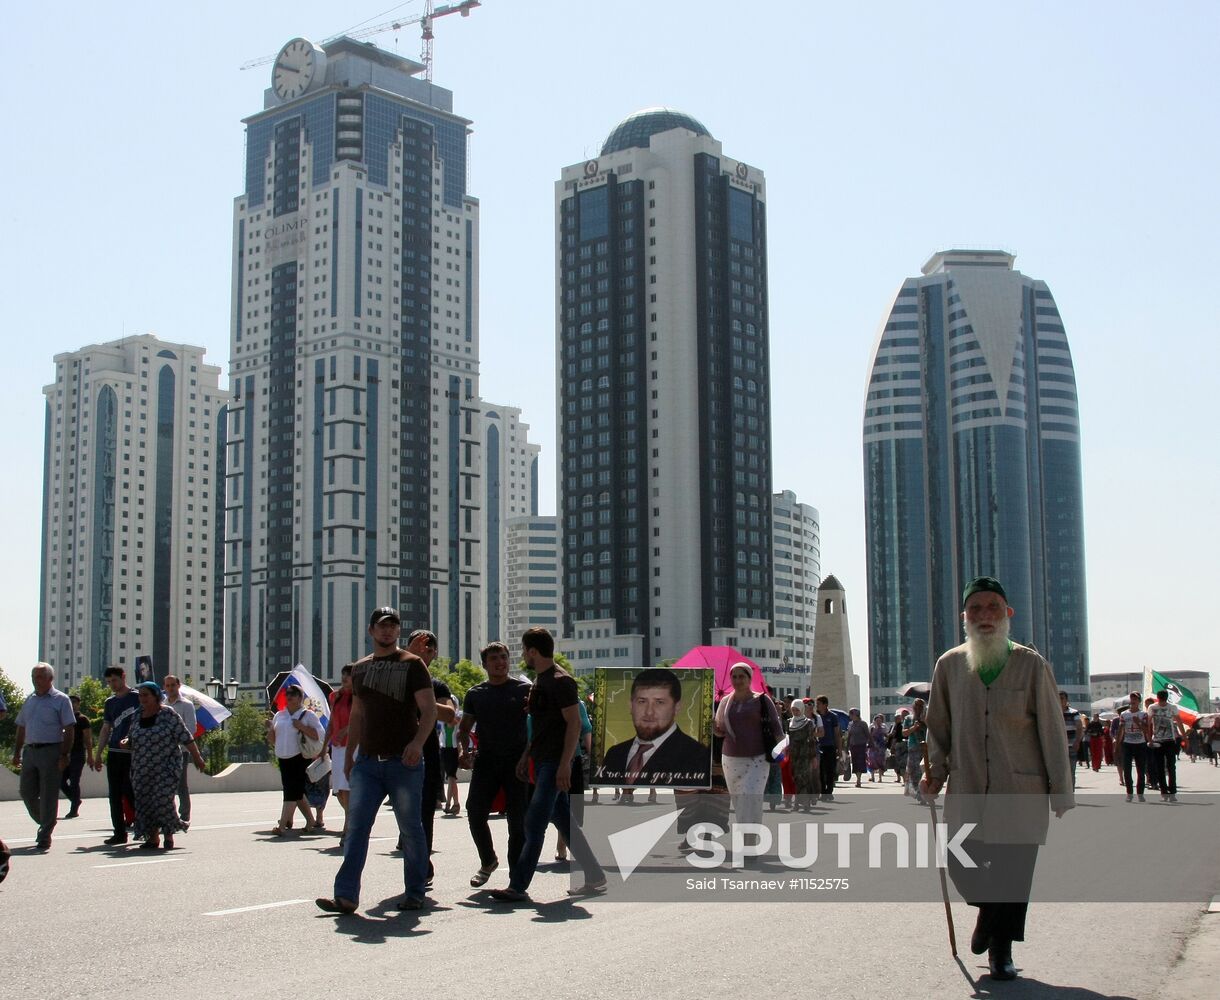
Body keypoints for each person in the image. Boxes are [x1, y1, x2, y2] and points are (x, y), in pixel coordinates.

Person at [922, 576, 1074, 983]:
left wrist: (1061, 791)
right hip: (968, 784)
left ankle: (1001, 951)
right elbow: (937, 727)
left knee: (1013, 872)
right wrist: (933, 774)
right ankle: (988, 911)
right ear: (964, 617)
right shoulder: (950, 665)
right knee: (959, 860)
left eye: (992, 608)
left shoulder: (1031, 663)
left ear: (1008, 614)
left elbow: (1052, 730)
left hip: (1020, 786)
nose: (984, 616)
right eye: (976, 609)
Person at [316, 607, 436, 914]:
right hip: (367, 762)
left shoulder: (413, 665)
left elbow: (430, 710)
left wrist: (417, 744)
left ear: (398, 631)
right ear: (371, 631)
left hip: (403, 762)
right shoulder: (360, 669)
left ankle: (415, 891)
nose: (388, 631)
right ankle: (345, 896)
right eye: (382, 626)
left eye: (393, 626)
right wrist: (350, 757)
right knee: (357, 827)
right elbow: (358, 714)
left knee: (411, 828)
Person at [489, 627, 605, 903]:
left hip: (555, 762)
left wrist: (565, 764)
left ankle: (517, 885)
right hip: (542, 760)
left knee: (535, 821)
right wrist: (527, 755)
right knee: (562, 820)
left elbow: (574, 724)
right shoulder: (540, 681)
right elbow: (540, 725)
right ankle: (595, 875)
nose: (523, 656)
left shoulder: (560, 681)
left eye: (524, 650)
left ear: (532, 651)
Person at [458, 641, 530, 889]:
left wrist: (528, 756)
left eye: (503, 657)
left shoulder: (524, 689)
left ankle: (515, 878)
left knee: (517, 822)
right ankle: (488, 860)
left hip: (517, 763)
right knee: (475, 812)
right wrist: (463, 751)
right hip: (486, 761)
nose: (500, 662)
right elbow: (464, 729)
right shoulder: (475, 694)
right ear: (485, 664)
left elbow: (535, 727)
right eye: (494, 659)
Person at [124, 682, 206, 850]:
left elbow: (186, 737)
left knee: (162, 799)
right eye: (140, 695)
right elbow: (131, 739)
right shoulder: (137, 715)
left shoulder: (168, 714)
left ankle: (169, 833)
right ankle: (153, 838)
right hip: (142, 767)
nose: (142, 699)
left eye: (146, 695)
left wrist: (197, 757)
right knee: (145, 801)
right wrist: (125, 742)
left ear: (156, 696)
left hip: (166, 766)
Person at [595, 668, 710, 787]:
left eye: (659, 702)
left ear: (677, 707)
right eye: (642, 701)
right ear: (631, 705)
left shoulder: (696, 755)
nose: (649, 712)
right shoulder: (614, 753)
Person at [404, 628, 456, 880]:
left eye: (428, 648)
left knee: (425, 812)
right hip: (396, 754)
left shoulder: (437, 685)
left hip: (428, 755)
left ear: (435, 653)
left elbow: (449, 715)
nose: (423, 651)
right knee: (405, 815)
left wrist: (419, 700)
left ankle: (420, 867)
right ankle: (420, 861)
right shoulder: (396, 678)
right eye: (416, 646)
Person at [714, 662, 783, 849]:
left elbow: (776, 727)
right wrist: (714, 728)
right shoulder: (725, 702)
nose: (737, 680)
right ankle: (746, 838)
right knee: (739, 800)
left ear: (749, 678)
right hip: (731, 757)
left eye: (741, 676)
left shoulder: (761, 700)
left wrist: (782, 748)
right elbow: (720, 731)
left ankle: (750, 840)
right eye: (734, 677)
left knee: (751, 797)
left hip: (757, 758)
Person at [11, 663, 75, 851]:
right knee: (26, 791)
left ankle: (45, 833)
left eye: (39, 676)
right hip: (30, 751)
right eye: (33, 676)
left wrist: (64, 754)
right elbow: (21, 727)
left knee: (48, 794)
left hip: (51, 750)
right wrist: (16, 752)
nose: (35, 680)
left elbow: (69, 728)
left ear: (50, 679)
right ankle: (46, 820)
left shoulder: (60, 700)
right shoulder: (29, 700)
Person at [266, 685, 323, 836]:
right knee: (297, 792)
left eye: (293, 694)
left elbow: (318, 736)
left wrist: (301, 726)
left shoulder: (308, 715)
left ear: (300, 698)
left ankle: (282, 825)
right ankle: (310, 821)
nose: (289, 696)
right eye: (288, 694)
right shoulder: (280, 715)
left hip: (299, 757)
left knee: (290, 791)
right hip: (283, 758)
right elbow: (273, 740)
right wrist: (270, 728)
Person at [94, 666, 141, 845]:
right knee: (114, 794)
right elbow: (106, 728)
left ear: (123, 677)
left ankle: (144, 825)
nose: (112, 684)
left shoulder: (137, 697)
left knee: (131, 790)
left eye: (114, 680)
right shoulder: (110, 702)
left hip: (131, 752)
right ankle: (119, 832)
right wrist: (98, 753)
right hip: (114, 752)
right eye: (108, 682)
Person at [162, 676, 196, 824]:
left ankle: (184, 815)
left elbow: (191, 728)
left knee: (180, 783)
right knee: (165, 784)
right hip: (163, 751)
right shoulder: (161, 705)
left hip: (181, 750)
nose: (170, 688)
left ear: (178, 685)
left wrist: (174, 738)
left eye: (173, 685)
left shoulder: (186, 705)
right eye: (167, 686)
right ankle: (169, 814)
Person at [327, 664, 354, 845]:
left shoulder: (360, 697)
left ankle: (348, 827)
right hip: (336, 747)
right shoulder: (334, 696)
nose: (344, 678)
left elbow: (362, 719)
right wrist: (323, 746)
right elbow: (331, 721)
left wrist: (346, 730)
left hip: (353, 746)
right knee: (339, 790)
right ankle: (351, 818)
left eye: (348, 675)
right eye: (343, 674)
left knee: (349, 787)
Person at [1148, 689, 1187, 802]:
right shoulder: (1152, 708)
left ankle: (1172, 792)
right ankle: (1164, 792)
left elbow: (1179, 722)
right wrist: (1150, 739)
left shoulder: (1172, 707)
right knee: (1160, 767)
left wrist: (1184, 737)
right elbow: (1149, 724)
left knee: (1171, 767)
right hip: (1158, 741)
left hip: (1170, 740)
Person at [60, 694, 94, 819]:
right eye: (70, 701)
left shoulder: (82, 719)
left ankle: (74, 809)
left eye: (75, 702)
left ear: (78, 704)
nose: (72, 704)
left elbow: (88, 739)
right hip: (65, 754)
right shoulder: (63, 718)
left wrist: (90, 756)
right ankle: (75, 800)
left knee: (74, 781)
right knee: (61, 781)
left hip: (78, 754)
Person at [1114, 691, 1150, 802]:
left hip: (1140, 743)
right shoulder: (1124, 714)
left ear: (1139, 701)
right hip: (1127, 744)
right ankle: (1129, 793)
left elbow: (1146, 730)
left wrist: (1138, 722)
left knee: (1141, 769)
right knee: (1127, 769)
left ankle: (1140, 793)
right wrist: (1117, 745)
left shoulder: (1143, 714)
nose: (1133, 701)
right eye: (1132, 698)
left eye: (1135, 699)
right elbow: (1120, 730)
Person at [786, 698, 821, 810]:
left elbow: (811, 740)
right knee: (795, 777)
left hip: (805, 754)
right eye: (793, 710)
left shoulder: (808, 723)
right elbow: (787, 739)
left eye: (797, 710)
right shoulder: (789, 722)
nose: (795, 712)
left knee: (804, 777)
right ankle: (796, 803)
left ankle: (806, 803)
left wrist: (813, 757)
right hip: (793, 754)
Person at [814, 696, 842, 801]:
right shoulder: (816, 717)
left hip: (830, 746)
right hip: (819, 746)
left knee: (830, 771)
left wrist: (839, 749)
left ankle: (829, 792)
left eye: (819, 703)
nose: (817, 706)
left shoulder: (833, 716)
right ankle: (822, 791)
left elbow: (837, 733)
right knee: (820, 771)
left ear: (825, 704)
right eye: (816, 704)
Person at [903, 699, 928, 803]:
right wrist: (914, 727)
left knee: (924, 771)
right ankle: (918, 793)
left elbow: (931, 730)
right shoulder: (908, 719)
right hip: (913, 747)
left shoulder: (926, 718)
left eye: (920, 706)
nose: (917, 708)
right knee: (913, 772)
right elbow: (904, 733)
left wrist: (924, 723)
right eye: (916, 706)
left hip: (925, 748)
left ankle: (924, 793)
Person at [1060, 692, 1083, 788]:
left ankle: (1070, 793)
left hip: (1071, 746)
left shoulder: (1074, 712)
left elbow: (1079, 726)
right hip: (1058, 747)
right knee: (1059, 772)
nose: (1060, 701)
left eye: (1062, 698)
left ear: (1066, 700)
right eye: (1058, 698)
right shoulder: (1053, 712)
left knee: (1071, 771)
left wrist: (1077, 741)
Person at [846, 708, 870, 788]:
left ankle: (858, 780)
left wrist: (871, 744)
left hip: (861, 745)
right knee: (855, 763)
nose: (850, 715)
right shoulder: (850, 724)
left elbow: (868, 734)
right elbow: (849, 736)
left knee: (860, 762)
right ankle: (857, 777)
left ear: (855, 714)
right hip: (853, 746)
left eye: (851, 714)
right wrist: (847, 746)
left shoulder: (863, 724)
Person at [868, 713, 888, 782]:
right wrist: (875, 728)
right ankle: (872, 777)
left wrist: (889, 736)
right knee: (872, 762)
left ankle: (880, 778)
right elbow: (870, 736)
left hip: (881, 747)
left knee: (880, 762)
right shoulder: (872, 727)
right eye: (877, 720)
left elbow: (886, 735)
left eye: (880, 720)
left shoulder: (883, 728)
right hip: (873, 746)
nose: (879, 722)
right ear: (875, 721)